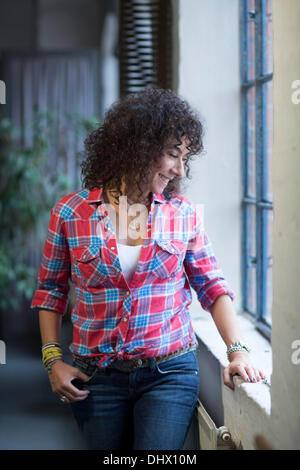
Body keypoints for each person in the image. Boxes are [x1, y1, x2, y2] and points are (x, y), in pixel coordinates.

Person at [31, 86, 266, 450]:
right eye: (173, 155)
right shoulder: (70, 213)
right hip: (95, 377)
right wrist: (52, 361)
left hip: (169, 373)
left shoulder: (183, 214)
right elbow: (51, 291)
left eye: (185, 158)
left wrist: (237, 349)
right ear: (137, 147)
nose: (179, 169)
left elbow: (213, 287)